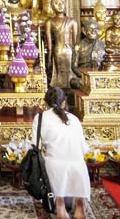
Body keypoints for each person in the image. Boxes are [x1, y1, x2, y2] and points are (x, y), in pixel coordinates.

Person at [32, 87, 90, 219]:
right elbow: (83, 148)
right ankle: (80, 205)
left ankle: (60, 206)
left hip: (55, 167)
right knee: (77, 161)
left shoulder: (40, 117)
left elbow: (35, 146)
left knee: (51, 160)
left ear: (45, 103)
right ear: (64, 102)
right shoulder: (74, 119)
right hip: (79, 167)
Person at [46, 0, 77, 89]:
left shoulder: (72, 21)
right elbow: (49, 43)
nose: (60, 5)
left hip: (69, 50)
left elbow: (74, 41)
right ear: (51, 6)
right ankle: (60, 89)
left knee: (69, 70)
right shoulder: (49, 22)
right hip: (58, 49)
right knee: (60, 71)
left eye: (62, 2)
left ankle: (70, 87)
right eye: (56, 3)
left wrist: (75, 54)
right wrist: (49, 57)